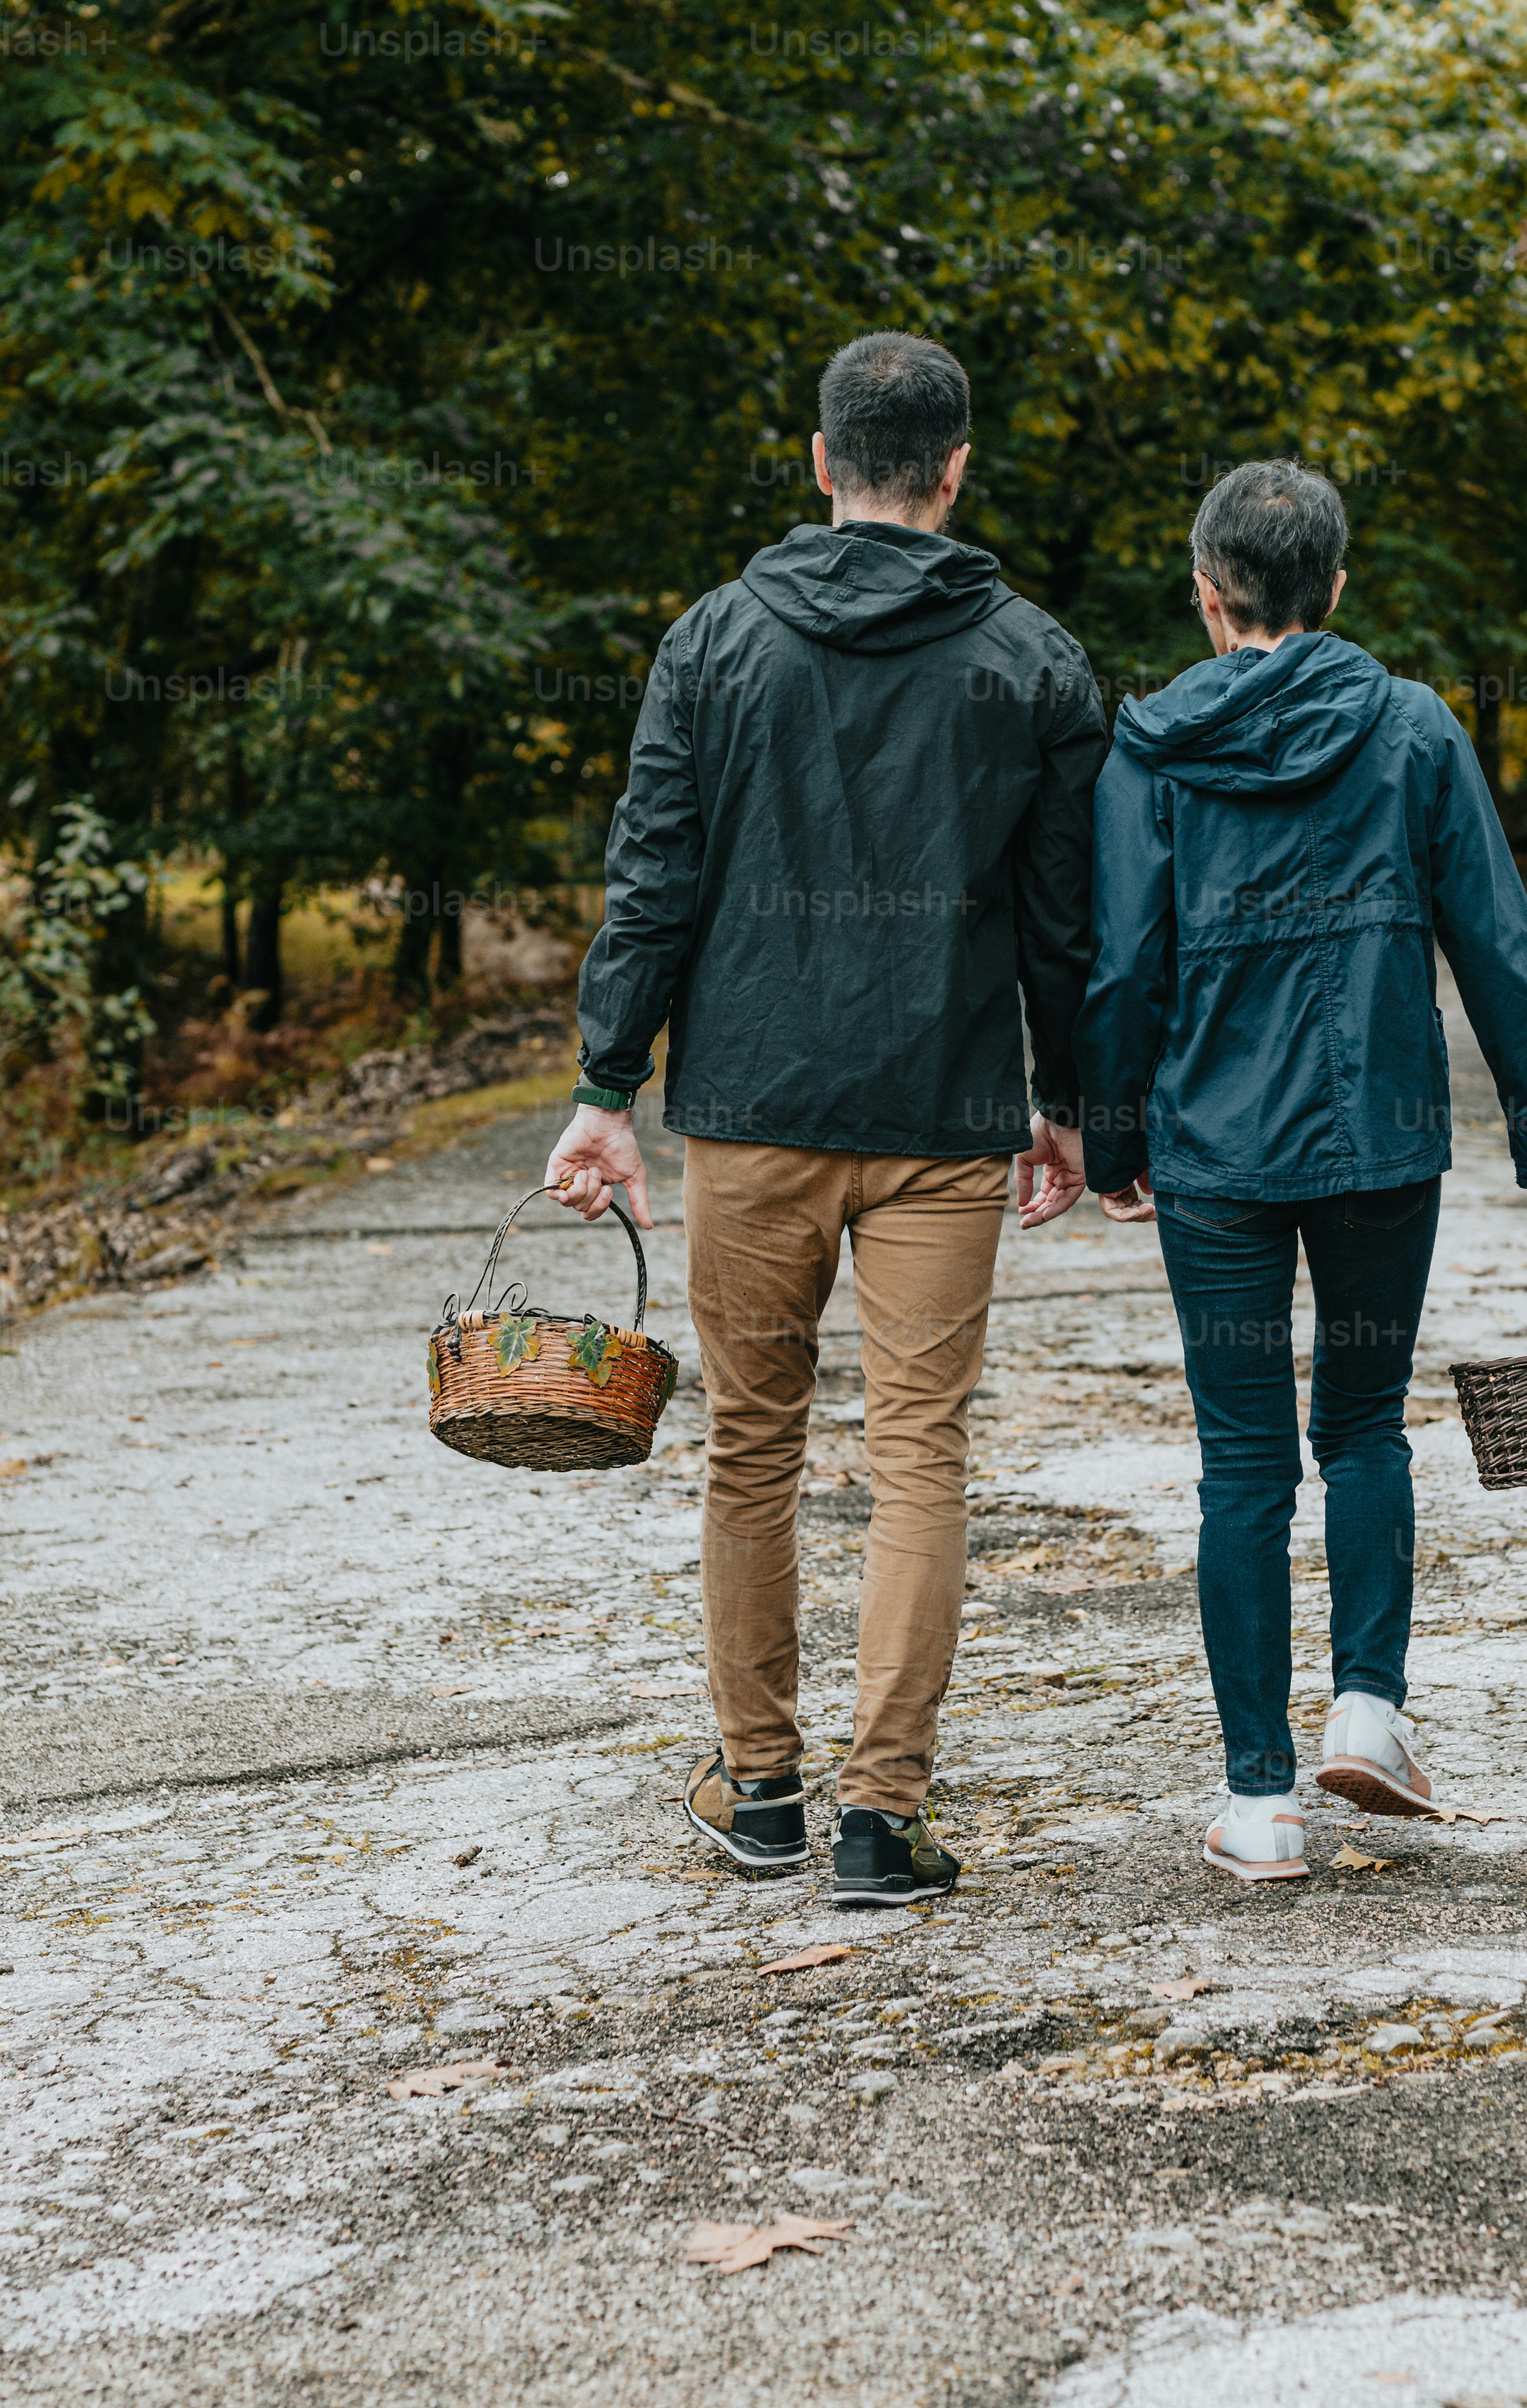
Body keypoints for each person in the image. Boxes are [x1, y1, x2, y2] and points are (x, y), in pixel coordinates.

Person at [544, 332, 1102, 1909]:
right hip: (941, 1115)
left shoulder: (713, 643)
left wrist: (605, 1087)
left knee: (752, 1447)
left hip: (752, 1109)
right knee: (923, 1453)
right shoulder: (1035, 661)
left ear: (819, 460)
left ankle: (762, 1787)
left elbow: (653, 875)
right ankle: (883, 1818)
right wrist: (1069, 1105)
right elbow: (1067, 917)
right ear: (956, 468)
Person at [1079, 460, 1527, 1883]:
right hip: (1378, 1140)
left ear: (1205, 588)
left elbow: (1121, 965)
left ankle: (1260, 1800)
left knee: (1241, 1460)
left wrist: (1113, 1137)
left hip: (1219, 1155)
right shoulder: (1414, 729)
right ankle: (1369, 1707)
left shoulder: (1152, 751)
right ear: (1338, 585)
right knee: (1362, 1428)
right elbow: (1498, 942)